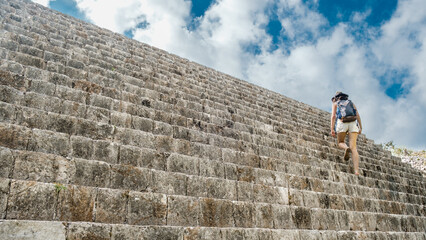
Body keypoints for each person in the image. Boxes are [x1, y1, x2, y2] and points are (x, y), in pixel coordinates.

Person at [330, 92, 362, 175]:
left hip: (342, 123)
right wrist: (360, 127)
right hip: (352, 123)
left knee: (340, 142)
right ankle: (356, 171)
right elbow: (357, 114)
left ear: (336, 97)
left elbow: (333, 116)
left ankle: (346, 148)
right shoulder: (350, 102)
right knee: (354, 148)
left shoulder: (335, 103)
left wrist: (332, 129)